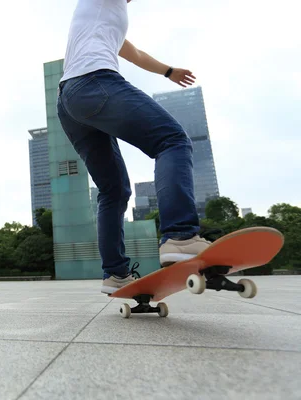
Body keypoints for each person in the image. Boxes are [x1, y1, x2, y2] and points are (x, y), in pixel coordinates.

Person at [56, 0, 211, 294]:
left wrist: (169, 71)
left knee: (114, 190)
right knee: (172, 140)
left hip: (70, 102)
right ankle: (180, 235)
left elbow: (134, 53)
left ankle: (115, 273)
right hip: (93, 83)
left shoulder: (108, 20)